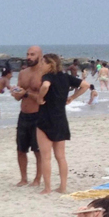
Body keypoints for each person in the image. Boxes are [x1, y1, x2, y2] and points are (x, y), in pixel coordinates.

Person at [35, 54, 88, 194]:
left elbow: (45, 86)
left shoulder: (47, 77)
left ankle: (47, 188)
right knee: (61, 157)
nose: (40, 65)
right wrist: (71, 97)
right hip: (60, 119)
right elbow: (85, 85)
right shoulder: (65, 77)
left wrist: (40, 98)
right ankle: (63, 187)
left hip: (45, 119)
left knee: (46, 157)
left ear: (50, 64)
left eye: (42, 63)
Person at [10, 46, 44, 187]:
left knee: (38, 151)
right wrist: (15, 93)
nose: (29, 57)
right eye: (27, 54)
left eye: (32, 54)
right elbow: (19, 96)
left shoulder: (44, 73)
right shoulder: (23, 73)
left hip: (39, 115)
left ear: (40, 56)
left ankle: (37, 179)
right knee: (20, 149)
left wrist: (26, 93)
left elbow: (44, 98)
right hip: (23, 115)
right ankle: (23, 178)